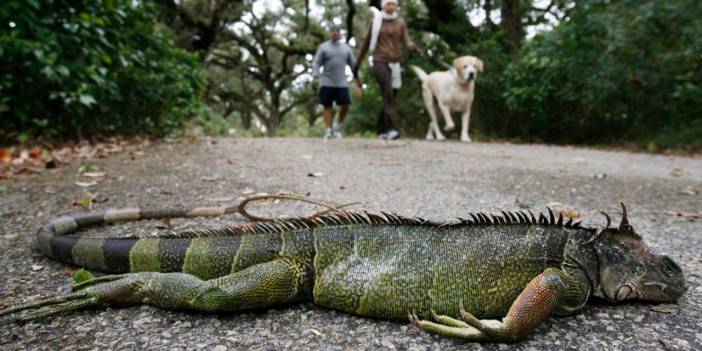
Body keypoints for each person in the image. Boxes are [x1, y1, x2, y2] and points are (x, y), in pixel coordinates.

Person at [354, 0, 418, 140]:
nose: (391, 6)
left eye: (393, 4)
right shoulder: (376, 22)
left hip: (396, 61)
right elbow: (366, 43)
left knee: (391, 96)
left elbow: (406, 40)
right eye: (388, 4)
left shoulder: (400, 23)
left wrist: (412, 46)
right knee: (387, 91)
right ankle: (393, 128)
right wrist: (357, 63)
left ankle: (381, 129)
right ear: (383, 6)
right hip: (379, 60)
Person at [312, 25, 358, 140]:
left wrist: (358, 77)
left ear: (340, 33)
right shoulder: (323, 47)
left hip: (342, 82)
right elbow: (317, 62)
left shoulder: (346, 48)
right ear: (330, 33)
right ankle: (328, 130)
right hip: (327, 82)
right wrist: (315, 76)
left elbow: (353, 64)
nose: (335, 33)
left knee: (345, 105)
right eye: (332, 31)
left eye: (337, 31)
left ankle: (337, 127)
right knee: (327, 106)